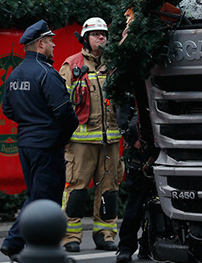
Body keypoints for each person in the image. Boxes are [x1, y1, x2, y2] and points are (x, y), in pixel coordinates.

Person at [0, 20, 79, 259]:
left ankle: (22, 246)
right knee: (44, 200)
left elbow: (7, 110)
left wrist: (30, 121)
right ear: (41, 44)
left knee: (36, 194)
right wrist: (63, 137)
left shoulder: (15, 74)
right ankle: (15, 243)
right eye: (51, 41)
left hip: (26, 144)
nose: (54, 45)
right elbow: (66, 113)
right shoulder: (47, 73)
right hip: (47, 145)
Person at [59, 17, 122, 252]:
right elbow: (60, 105)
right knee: (75, 190)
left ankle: (105, 234)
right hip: (79, 143)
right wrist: (62, 136)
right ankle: (71, 237)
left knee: (110, 190)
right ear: (85, 39)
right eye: (96, 34)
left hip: (110, 142)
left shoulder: (114, 64)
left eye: (104, 34)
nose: (101, 38)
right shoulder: (71, 65)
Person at [115, 89, 159, 263]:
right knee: (136, 203)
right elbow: (123, 115)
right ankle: (126, 247)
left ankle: (148, 245)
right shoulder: (132, 84)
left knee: (158, 203)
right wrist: (132, 138)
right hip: (141, 150)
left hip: (161, 145)